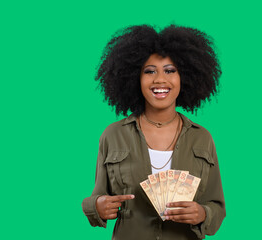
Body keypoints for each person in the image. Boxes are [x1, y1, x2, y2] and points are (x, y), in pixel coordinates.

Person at [82, 24, 225, 240]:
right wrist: (97, 207)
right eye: (149, 71)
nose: (160, 79)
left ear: (184, 77)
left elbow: (217, 206)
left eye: (170, 71)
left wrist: (203, 213)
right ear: (135, 78)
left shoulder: (202, 138)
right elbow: (96, 197)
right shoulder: (113, 135)